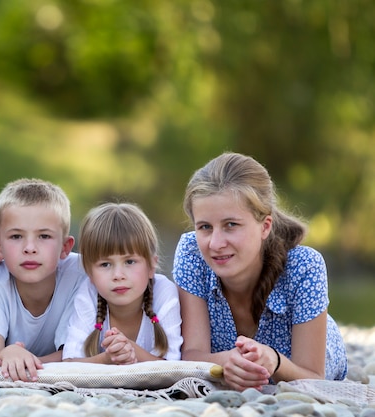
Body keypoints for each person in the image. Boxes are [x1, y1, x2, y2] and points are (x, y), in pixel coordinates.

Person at [172, 151, 348, 391]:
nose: (215, 243)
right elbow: (191, 355)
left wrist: (274, 360)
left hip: (301, 362)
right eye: (205, 227)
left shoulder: (305, 266)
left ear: (265, 226)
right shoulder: (192, 252)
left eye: (231, 225)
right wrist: (227, 363)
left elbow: (314, 378)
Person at [0, 178, 87, 382]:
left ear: (65, 247)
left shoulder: (80, 276)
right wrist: (7, 354)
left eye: (44, 236)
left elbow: (74, 356)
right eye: (16, 236)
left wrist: (18, 360)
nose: (29, 248)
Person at [63, 202, 182, 364]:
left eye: (130, 262)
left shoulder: (163, 292)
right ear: (89, 273)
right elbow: (69, 363)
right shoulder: (89, 293)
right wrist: (108, 358)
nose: (118, 275)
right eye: (105, 264)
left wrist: (131, 350)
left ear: (151, 266)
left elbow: (173, 366)